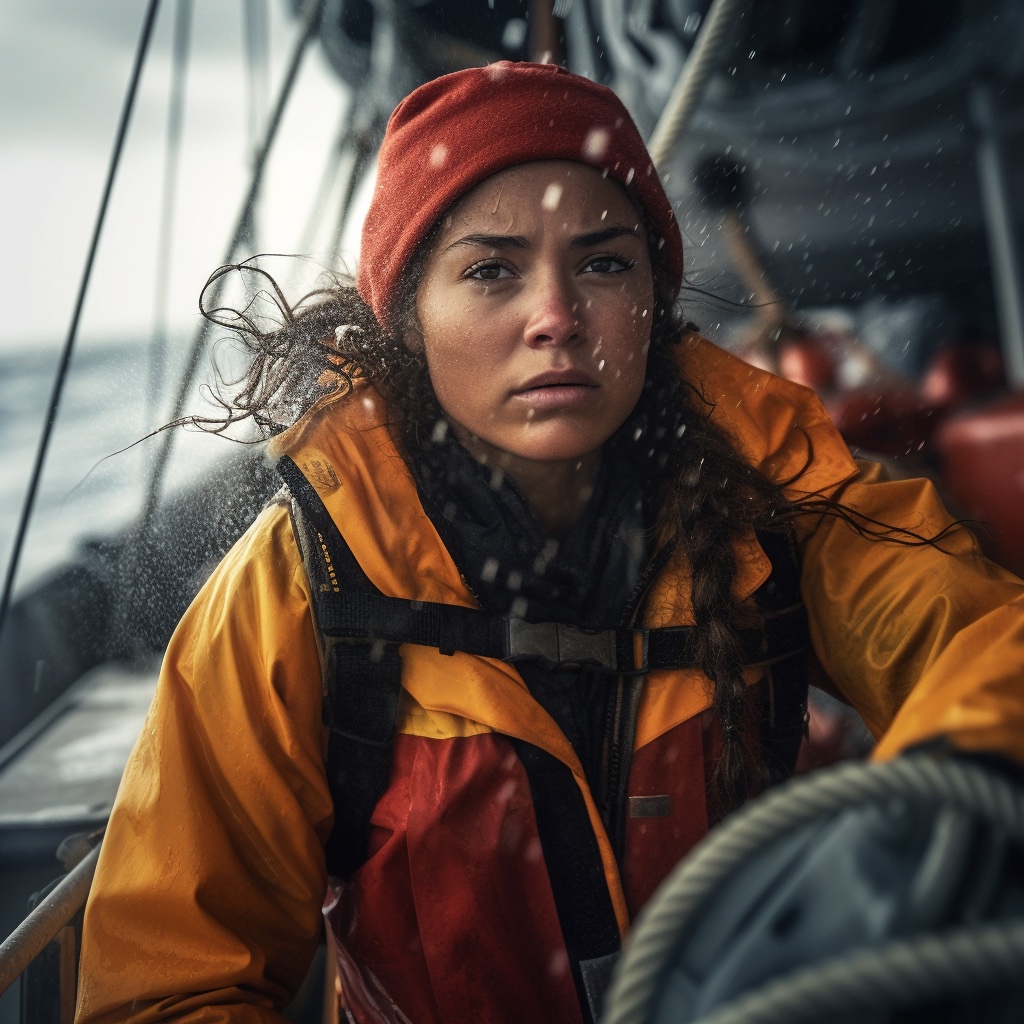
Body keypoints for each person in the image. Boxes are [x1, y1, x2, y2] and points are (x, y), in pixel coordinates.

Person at [75, 62, 1024, 1024]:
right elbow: (168, 987)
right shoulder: (299, 590)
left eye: (605, 262)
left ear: (655, 297)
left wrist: (953, 803)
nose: (558, 319)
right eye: (491, 269)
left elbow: (984, 640)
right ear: (407, 317)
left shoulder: (775, 502)